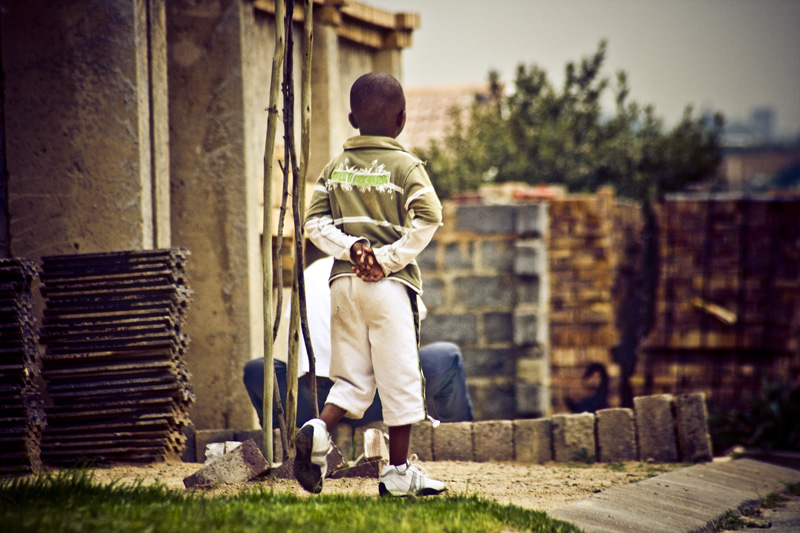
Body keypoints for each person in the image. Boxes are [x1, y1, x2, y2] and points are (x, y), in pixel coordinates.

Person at [296, 71, 446, 497]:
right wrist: (385, 259)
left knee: (352, 378)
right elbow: (429, 217)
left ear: (350, 117)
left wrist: (352, 249)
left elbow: (313, 223)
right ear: (401, 120)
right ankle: (398, 473)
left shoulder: (335, 167)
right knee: (399, 379)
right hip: (388, 289)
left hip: (343, 285)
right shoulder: (406, 166)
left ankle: (317, 428)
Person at [242, 256, 473, 430]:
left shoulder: (312, 272)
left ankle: (289, 434)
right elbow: (404, 342)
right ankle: (457, 433)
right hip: (372, 401)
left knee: (256, 369)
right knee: (448, 355)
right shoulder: (386, 269)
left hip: (310, 403)